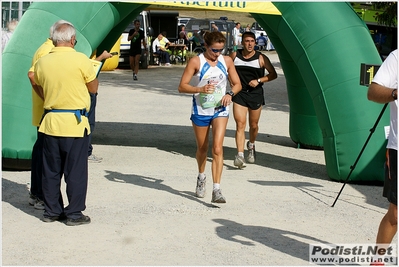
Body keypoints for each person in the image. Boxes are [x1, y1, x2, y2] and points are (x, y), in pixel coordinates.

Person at [33, 20, 98, 226]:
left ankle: (52, 211)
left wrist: (48, 96)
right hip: (75, 123)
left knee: (51, 170)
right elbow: (93, 88)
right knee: (75, 171)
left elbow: (34, 80)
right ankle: (75, 213)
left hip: (51, 120)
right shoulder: (81, 60)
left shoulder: (42, 62)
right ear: (72, 40)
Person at [178, 31, 242, 203]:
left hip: (220, 109)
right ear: (205, 46)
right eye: (214, 50)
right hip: (201, 110)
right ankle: (201, 176)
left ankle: (217, 189)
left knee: (218, 149)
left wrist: (229, 93)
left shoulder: (226, 61)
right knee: (202, 149)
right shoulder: (195, 61)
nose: (218, 54)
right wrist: (200, 89)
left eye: (221, 50)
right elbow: (182, 86)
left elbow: (237, 84)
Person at [367, 49, 397, 265]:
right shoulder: (397, 57)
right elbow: (373, 92)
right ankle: (377, 261)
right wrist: (395, 93)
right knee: (395, 214)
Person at [230, 31, 277, 168]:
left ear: (255, 43)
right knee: (240, 124)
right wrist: (232, 82)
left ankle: (251, 145)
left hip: (255, 94)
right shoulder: (234, 56)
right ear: (242, 42)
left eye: (252, 41)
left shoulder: (261, 58)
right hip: (240, 94)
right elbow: (226, 68)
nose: (249, 44)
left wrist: (259, 80)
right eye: (247, 41)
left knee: (254, 125)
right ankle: (240, 155)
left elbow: (273, 74)